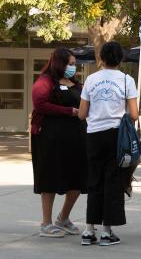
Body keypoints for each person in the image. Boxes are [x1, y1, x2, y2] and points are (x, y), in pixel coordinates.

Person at [78, 41, 138, 246]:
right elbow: (134, 114)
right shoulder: (126, 80)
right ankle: (106, 231)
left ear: (101, 58)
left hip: (94, 135)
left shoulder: (91, 80)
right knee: (113, 181)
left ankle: (88, 230)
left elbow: (82, 114)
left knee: (94, 180)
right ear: (120, 59)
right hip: (117, 136)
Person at [31, 48, 87, 238]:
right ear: (59, 63)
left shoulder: (75, 83)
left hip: (76, 138)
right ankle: (46, 224)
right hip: (49, 138)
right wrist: (68, 111)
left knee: (78, 178)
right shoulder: (45, 81)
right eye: (70, 64)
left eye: (74, 64)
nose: (73, 67)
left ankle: (63, 218)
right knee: (49, 178)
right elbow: (40, 104)